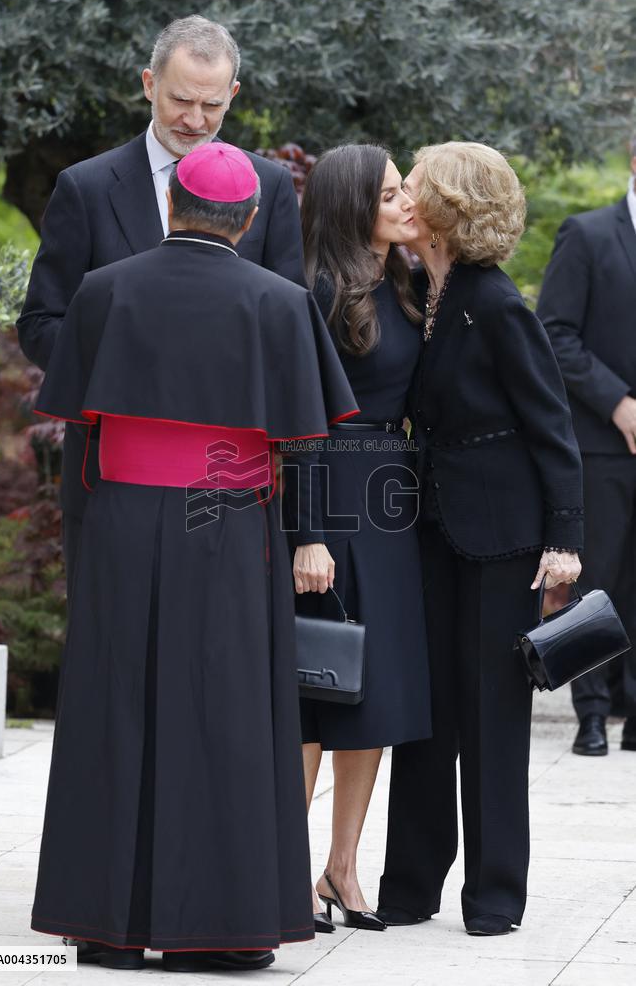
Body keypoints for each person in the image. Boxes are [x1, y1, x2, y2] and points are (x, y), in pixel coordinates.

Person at [29, 143, 358, 972]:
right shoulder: (281, 303)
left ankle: (105, 927)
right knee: (226, 714)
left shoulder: (103, 291)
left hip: (121, 522)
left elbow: (74, 407)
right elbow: (306, 433)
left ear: (172, 204)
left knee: (116, 707)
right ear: (247, 221)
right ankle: (220, 931)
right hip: (228, 524)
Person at [17, 14, 305, 589]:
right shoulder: (85, 187)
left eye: (212, 105)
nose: (194, 120)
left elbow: (288, 327)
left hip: (231, 481)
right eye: (180, 100)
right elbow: (41, 323)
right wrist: (130, 370)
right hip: (111, 477)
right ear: (149, 84)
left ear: (233, 95)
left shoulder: (268, 187)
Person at [376, 142, 583, 936]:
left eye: (414, 185)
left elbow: (552, 425)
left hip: (503, 539)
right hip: (428, 531)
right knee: (425, 712)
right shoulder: (418, 290)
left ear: (448, 207)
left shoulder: (494, 303)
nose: (403, 195)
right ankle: (409, 887)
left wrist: (564, 539)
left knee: (493, 715)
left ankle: (495, 894)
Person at [282, 144, 431, 933]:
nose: (407, 203)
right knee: (317, 688)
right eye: (391, 194)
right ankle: (286, 870)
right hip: (332, 493)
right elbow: (299, 419)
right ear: (351, 205)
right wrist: (307, 535)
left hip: (391, 499)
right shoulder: (316, 289)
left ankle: (342, 869)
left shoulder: (408, 280)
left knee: (373, 691)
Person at [538, 140, 636, 756]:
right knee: (594, 579)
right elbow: (555, 332)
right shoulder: (588, 234)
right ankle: (591, 713)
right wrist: (618, 402)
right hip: (601, 443)